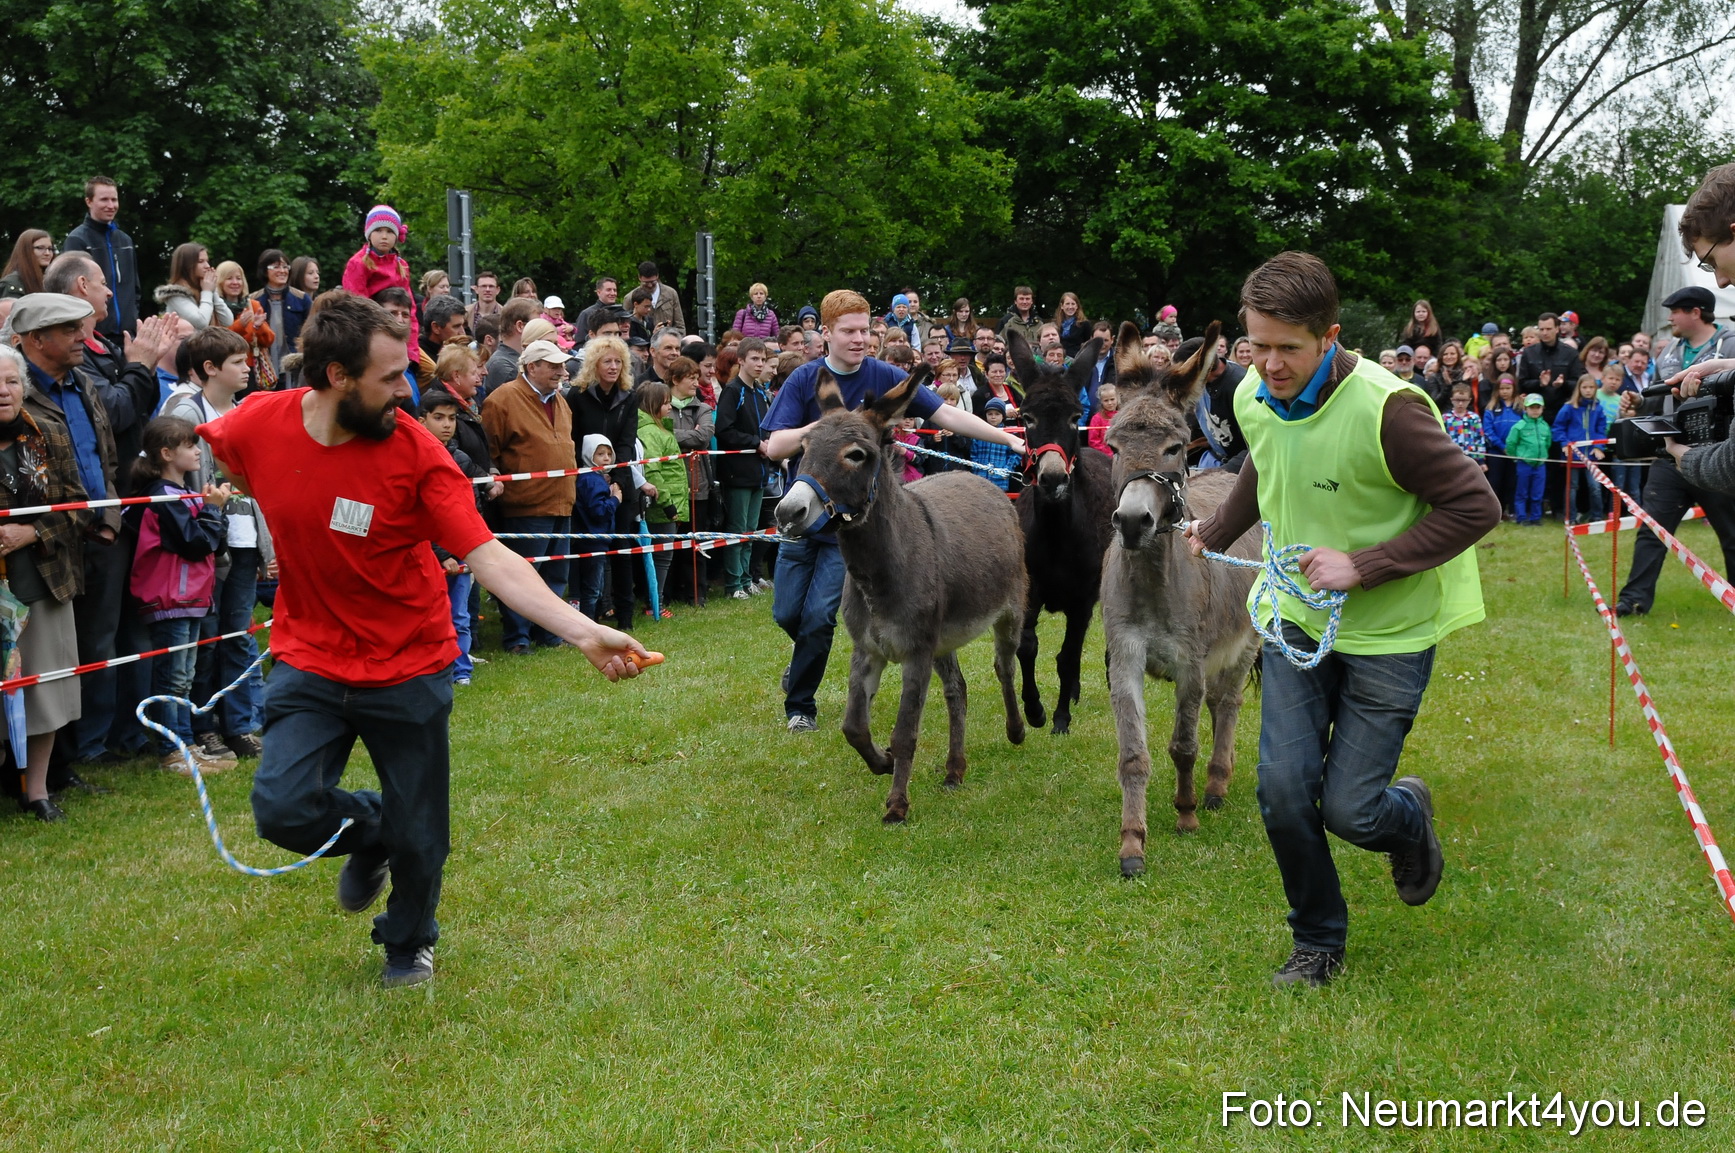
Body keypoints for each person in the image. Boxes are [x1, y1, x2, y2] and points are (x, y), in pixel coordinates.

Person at [200, 294, 647, 988]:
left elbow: (489, 554)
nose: (406, 390)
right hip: (310, 655)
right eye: (388, 378)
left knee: (422, 831)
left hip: (408, 661)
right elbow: (226, 452)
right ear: (335, 376)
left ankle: (408, 941)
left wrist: (583, 630)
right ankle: (370, 831)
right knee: (284, 808)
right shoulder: (261, 422)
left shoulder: (416, 453)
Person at [1185, 252, 1498, 988]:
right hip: (1296, 622)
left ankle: (1405, 817)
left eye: (1286, 348)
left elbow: (1474, 506)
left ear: (1328, 336)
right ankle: (1317, 938)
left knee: (1351, 810)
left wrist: (1365, 563)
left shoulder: (1389, 409)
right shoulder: (1255, 397)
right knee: (1284, 790)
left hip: (1388, 631)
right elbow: (1268, 462)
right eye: (1254, 346)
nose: (1267, 364)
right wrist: (1217, 531)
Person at [762, 289, 1027, 733]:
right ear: (825, 333)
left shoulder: (884, 374)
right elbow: (774, 446)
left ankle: (800, 708)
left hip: (861, 526)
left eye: (865, 330)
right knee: (788, 613)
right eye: (848, 331)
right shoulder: (805, 380)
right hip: (804, 512)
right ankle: (804, 654)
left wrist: (1010, 440)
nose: (859, 339)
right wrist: (826, 427)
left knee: (820, 616)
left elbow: (945, 415)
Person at [11, 294, 129, 775]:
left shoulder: (82, 382)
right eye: (70, 331)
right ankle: (44, 766)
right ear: (38, 340)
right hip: (42, 544)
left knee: (94, 644)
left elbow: (105, 457)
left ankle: (87, 751)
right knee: (44, 654)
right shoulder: (17, 393)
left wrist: (110, 518)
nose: (85, 338)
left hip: (97, 535)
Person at [166, 326, 275, 759]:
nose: (248, 367)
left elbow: (260, 479)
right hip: (204, 542)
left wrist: (269, 545)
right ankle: (202, 724)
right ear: (210, 368)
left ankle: (242, 725)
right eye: (237, 362)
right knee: (206, 639)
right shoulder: (185, 410)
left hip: (245, 540)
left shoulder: (248, 409)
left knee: (240, 633)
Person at [0, 345, 90, 821]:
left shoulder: (47, 434)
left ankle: (37, 791)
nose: (3, 391)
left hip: (42, 581)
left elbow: (78, 506)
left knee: (45, 691)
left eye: (12, 381)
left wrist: (29, 532)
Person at [127, 415, 238, 774]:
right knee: (172, 676)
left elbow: (215, 546)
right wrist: (212, 510)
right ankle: (171, 751)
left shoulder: (185, 494)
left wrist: (211, 511)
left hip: (192, 599)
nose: (196, 451)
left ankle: (187, 744)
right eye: (189, 445)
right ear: (166, 453)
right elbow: (195, 544)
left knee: (185, 676)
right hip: (170, 599)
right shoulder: (162, 496)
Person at [480, 339, 579, 653]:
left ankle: (549, 633)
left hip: (562, 499)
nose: (561, 371)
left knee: (556, 573)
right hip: (525, 503)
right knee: (524, 575)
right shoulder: (502, 400)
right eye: (553, 365)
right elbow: (489, 452)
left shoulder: (561, 401)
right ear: (531, 366)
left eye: (562, 365)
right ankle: (518, 638)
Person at [568, 334, 642, 629]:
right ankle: (589, 614)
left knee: (622, 551)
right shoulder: (576, 395)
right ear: (593, 364)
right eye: (607, 361)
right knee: (588, 553)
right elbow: (572, 440)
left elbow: (627, 442)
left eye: (618, 361)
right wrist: (589, 474)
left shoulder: (629, 396)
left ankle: (626, 615)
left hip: (619, 479)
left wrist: (619, 480)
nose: (613, 367)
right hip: (584, 482)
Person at [417, 392, 489, 685]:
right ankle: (432, 669)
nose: (447, 425)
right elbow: (420, 515)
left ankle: (461, 671)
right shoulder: (415, 458)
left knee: (459, 615)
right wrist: (439, 553)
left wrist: (469, 549)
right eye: (438, 418)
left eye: (451, 418)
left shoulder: (460, 458)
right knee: (429, 616)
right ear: (422, 420)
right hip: (427, 556)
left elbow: (470, 508)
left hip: (460, 553)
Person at [714, 338, 773, 600]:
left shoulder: (759, 392)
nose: (759, 364)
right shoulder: (733, 390)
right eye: (754, 359)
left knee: (752, 529)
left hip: (758, 471)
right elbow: (724, 430)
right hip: (738, 472)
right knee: (737, 529)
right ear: (741, 360)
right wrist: (755, 443)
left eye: (762, 359)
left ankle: (747, 577)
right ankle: (733, 583)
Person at [634, 381, 687, 615]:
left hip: (670, 500)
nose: (669, 407)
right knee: (661, 556)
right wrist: (667, 503)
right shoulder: (649, 432)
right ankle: (655, 603)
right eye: (665, 403)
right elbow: (654, 470)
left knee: (663, 555)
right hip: (661, 505)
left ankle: (656, 600)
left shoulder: (661, 429)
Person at [62, 177, 138, 338]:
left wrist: (132, 319)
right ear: (88, 201)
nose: (111, 205)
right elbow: (72, 291)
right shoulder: (77, 240)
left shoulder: (125, 241)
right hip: (95, 334)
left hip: (127, 333)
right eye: (104, 200)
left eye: (114, 200)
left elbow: (134, 288)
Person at [667, 357, 714, 606]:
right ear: (675, 380)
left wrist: (676, 436)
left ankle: (697, 593)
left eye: (697, 377)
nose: (696, 382)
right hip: (670, 484)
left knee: (697, 543)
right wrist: (689, 435)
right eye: (691, 378)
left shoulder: (703, 408)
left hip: (699, 485)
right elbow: (660, 435)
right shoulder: (661, 405)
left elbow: (704, 436)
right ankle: (671, 592)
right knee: (672, 542)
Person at [342, 205, 418, 357]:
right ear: (369, 234)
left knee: (428, 371)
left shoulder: (401, 265)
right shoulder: (358, 263)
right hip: (371, 335)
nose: (384, 236)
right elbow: (358, 306)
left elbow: (410, 311)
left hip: (400, 332)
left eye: (390, 231)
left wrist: (412, 351)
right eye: (378, 230)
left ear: (397, 236)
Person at [1552, 374, 1608, 521]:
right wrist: (1564, 444)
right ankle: (1570, 517)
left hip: (1591, 455)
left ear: (1595, 389)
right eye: (1584, 387)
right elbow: (1558, 428)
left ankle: (1597, 517)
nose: (1588, 390)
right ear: (1579, 388)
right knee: (1572, 488)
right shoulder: (1569, 407)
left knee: (1595, 487)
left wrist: (1599, 447)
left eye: (1591, 387)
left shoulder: (1598, 408)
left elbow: (1601, 429)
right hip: (1573, 454)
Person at [251, 249, 310, 378]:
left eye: (285, 266)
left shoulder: (301, 298)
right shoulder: (253, 300)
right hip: (264, 365)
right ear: (265, 270)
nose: (282, 271)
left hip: (294, 363)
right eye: (276, 267)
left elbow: (311, 330)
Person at [155, 243, 234, 331]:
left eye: (207, 261)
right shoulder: (175, 294)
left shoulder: (203, 288)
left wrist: (212, 291)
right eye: (201, 261)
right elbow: (201, 322)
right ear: (187, 265)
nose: (207, 266)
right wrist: (207, 291)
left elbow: (227, 321)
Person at [1480, 375, 1524, 519]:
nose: (1504, 391)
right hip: (1496, 452)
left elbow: (1524, 427)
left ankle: (1511, 511)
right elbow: (1488, 431)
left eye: (1508, 388)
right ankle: (1494, 513)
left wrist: (1514, 448)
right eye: (1501, 389)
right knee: (1495, 482)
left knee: (1512, 482)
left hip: (1515, 452)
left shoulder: (1520, 408)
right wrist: (1501, 446)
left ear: (1514, 389)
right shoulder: (1491, 408)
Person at [1505, 394, 1551, 526]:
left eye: (1538, 407)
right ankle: (1521, 517)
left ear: (1542, 408)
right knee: (1522, 492)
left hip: (1540, 465)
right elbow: (1511, 444)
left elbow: (1547, 442)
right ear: (1525, 408)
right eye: (1532, 408)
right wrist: (1517, 458)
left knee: (1537, 493)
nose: (1535, 410)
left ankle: (1536, 517)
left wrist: (1542, 456)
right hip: (1524, 464)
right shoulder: (1519, 426)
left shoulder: (1545, 426)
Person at [484, 296, 540, 392]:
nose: (541, 330)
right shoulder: (503, 366)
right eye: (536, 325)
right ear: (520, 326)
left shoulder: (512, 360)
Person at [971, 399, 1022, 492]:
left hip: (1000, 478)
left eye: (997, 414)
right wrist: (976, 468)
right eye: (990, 414)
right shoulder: (979, 433)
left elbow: (1015, 455)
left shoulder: (1010, 434)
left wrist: (1007, 469)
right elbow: (973, 453)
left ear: (1003, 416)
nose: (993, 417)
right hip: (980, 477)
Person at [1442, 384, 1486, 473]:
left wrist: (1481, 461)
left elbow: (1480, 439)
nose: (1460, 403)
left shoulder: (1474, 417)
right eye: (1457, 400)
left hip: (1471, 458)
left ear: (1469, 400)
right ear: (1452, 400)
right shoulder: (1445, 418)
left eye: (1464, 400)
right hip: (1452, 458)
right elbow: (1442, 439)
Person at [1, 230, 54, 299]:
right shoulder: (12, 283)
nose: (47, 253)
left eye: (50, 249)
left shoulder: (51, 281)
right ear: (25, 250)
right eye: (40, 248)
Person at [637, 261, 685, 334]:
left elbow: (680, 326)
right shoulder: (630, 298)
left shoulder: (671, 294)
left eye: (653, 282)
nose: (650, 285)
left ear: (657, 276)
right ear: (639, 278)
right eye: (646, 282)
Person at [1052, 292, 1090, 357]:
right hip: (1058, 358)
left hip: (1076, 359)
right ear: (1062, 306)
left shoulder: (1084, 324)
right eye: (1067, 304)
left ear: (1077, 306)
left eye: (1073, 304)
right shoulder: (1055, 324)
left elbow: (1088, 343)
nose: (1070, 307)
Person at [1087, 384, 1117, 454]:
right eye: (1106, 400)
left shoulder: (1122, 416)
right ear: (1101, 401)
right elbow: (1093, 442)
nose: (1110, 403)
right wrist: (1109, 453)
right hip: (1103, 457)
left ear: (1117, 398)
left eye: (1112, 399)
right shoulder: (1096, 418)